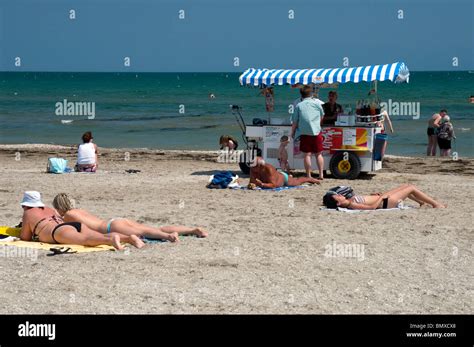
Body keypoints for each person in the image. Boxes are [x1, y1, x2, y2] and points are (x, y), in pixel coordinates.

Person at [52, 193, 208, 242]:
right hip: (116, 220)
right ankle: (192, 230)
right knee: (151, 229)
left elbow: (63, 230)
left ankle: (169, 236)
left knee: (147, 232)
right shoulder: (79, 210)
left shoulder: (68, 215)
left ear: (60, 207)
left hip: (110, 227)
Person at [19, 191, 144, 250]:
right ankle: (129, 238)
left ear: (26, 204)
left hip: (58, 232)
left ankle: (111, 240)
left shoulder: (28, 213)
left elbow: (25, 237)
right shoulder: (48, 209)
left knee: (85, 241)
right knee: (98, 235)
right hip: (72, 225)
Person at [291, 85, 325, 179]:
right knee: (318, 153)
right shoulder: (317, 104)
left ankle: (309, 175)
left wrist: (292, 133)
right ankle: (321, 174)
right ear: (311, 94)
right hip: (316, 131)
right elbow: (322, 116)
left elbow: (295, 121)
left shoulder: (299, 105)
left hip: (304, 133)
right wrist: (317, 124)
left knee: (307, 154)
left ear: (301, 95)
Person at [322, 184, 446, 210]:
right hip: (385, 202)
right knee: (411, 188)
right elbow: (371, 208)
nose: (339, 194)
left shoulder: (349, 201)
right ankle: (435, 204)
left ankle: (422, 203)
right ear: (338, 203)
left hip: (384, 199)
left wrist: (374, 196)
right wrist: (381, 198)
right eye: (337, 196)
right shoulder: (351, 204)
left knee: (406, 186)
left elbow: (367, 201)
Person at [248, 157, 320, 189]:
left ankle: (310, 179)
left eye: (254, 168)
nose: (252, 169)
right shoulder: (253, 168)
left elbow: (274, 185)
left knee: (298, 181)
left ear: (260, 167)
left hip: (283, 178)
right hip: (276, 177)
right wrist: (252, 185)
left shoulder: (269, 169)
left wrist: (262, 184)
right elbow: (252, 182)